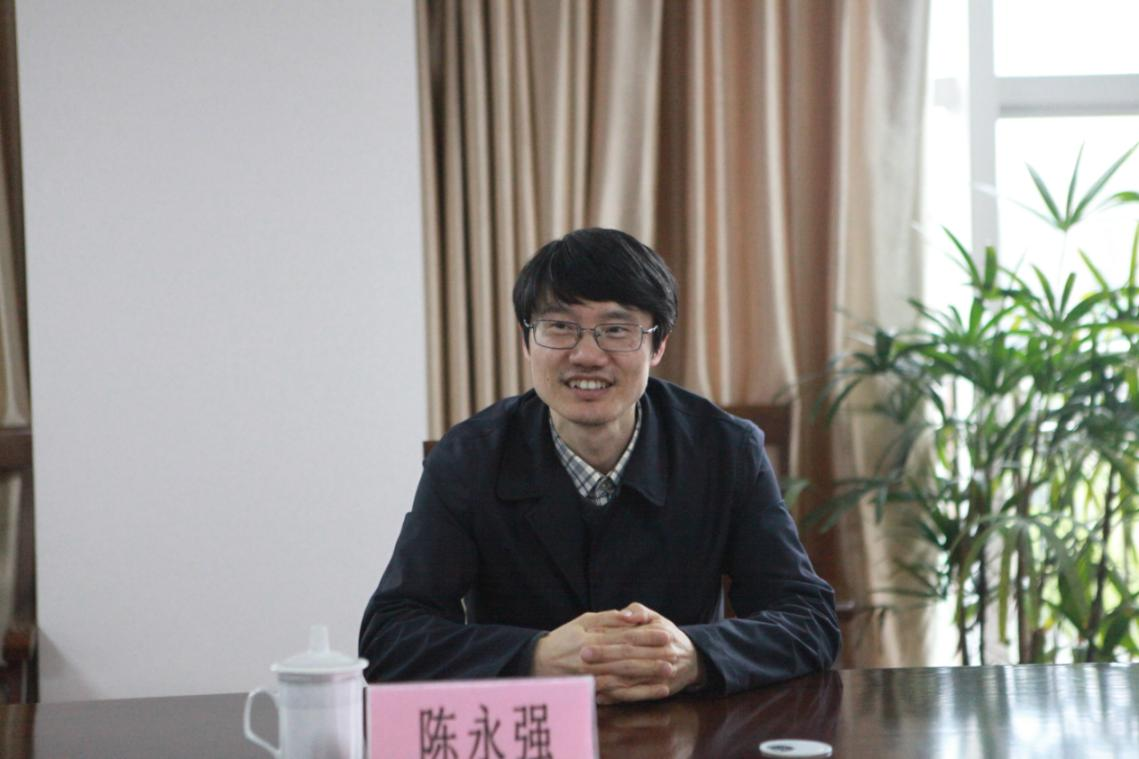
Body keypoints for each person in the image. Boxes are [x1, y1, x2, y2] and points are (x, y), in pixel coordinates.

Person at [359, 228, 839, 703]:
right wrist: (534, 657)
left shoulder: (725, 450)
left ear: (658, 345)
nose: (587, 356)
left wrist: (694, 656)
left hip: (684, 724)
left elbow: (808, 619)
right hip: (528, 727)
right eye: (560, 327)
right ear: (527, 341)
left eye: (616, 330)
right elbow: (390, 636)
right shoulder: (468, 458)